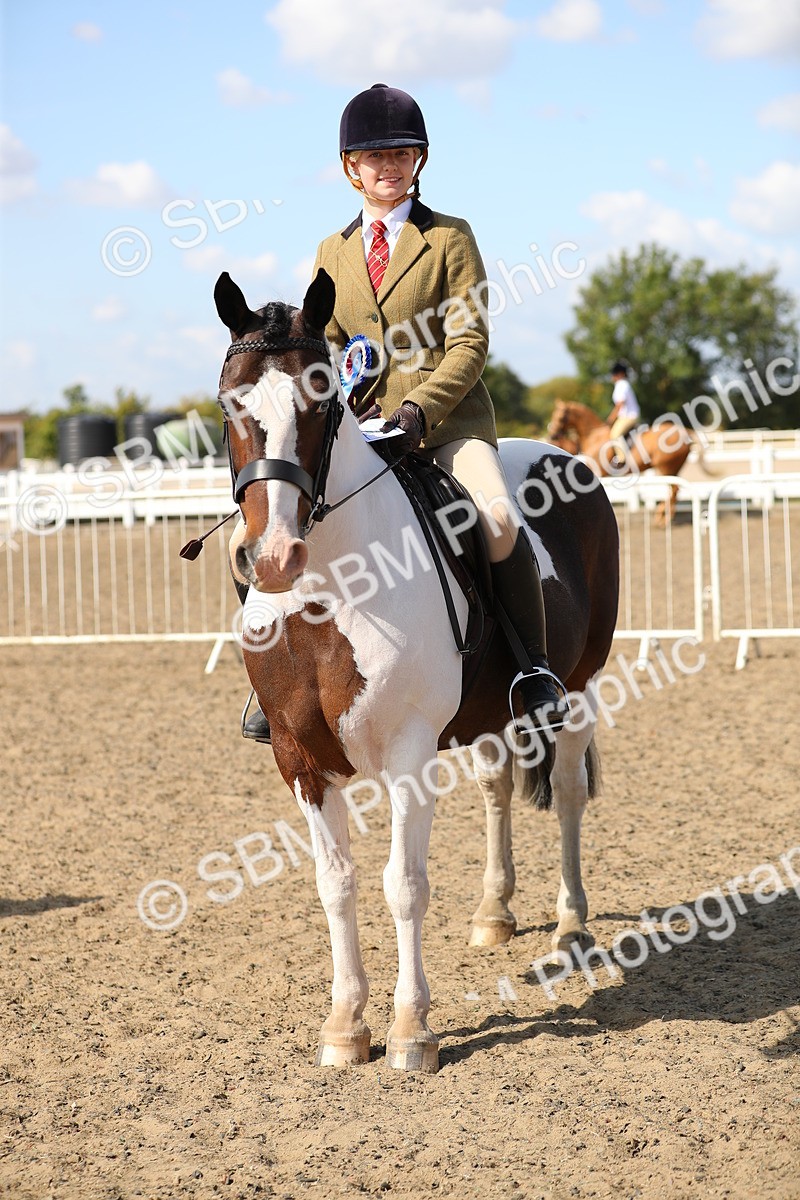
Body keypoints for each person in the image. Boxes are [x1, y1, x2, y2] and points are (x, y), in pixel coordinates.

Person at [243, 83, 569, 742]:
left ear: (419, 160)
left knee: (499, 520)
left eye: (400, 154)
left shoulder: (450, 237)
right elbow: (322, 348)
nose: (387, 167)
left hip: (446, 426)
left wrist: (420, 407)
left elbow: (471, 342)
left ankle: (532, 671)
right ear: (349, 168)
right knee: (257, 536)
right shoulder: (333, 251)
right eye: (373, 157)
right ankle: (272, 682)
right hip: (358, 429)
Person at [607, 360, 641, 460]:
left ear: (621, 374)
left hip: (629, 416)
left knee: (615, 434)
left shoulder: (622, 384)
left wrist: (610, 419)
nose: (613, 376)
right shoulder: (622, 384)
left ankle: (622, 460)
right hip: (625, 416)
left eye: (615, 373)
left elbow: (619, 405)